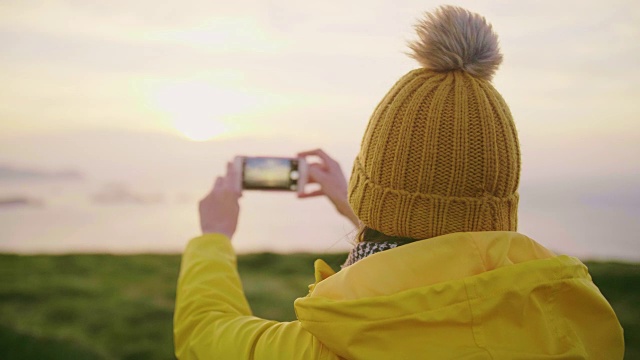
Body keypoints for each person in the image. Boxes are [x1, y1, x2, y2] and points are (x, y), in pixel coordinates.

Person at [173, 5, 624, 359]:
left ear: (366, 185)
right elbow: (438, 249)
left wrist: (213, 238)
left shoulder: (328, 345)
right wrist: (352, 206)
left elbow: (203, 332)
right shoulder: (577, 325)